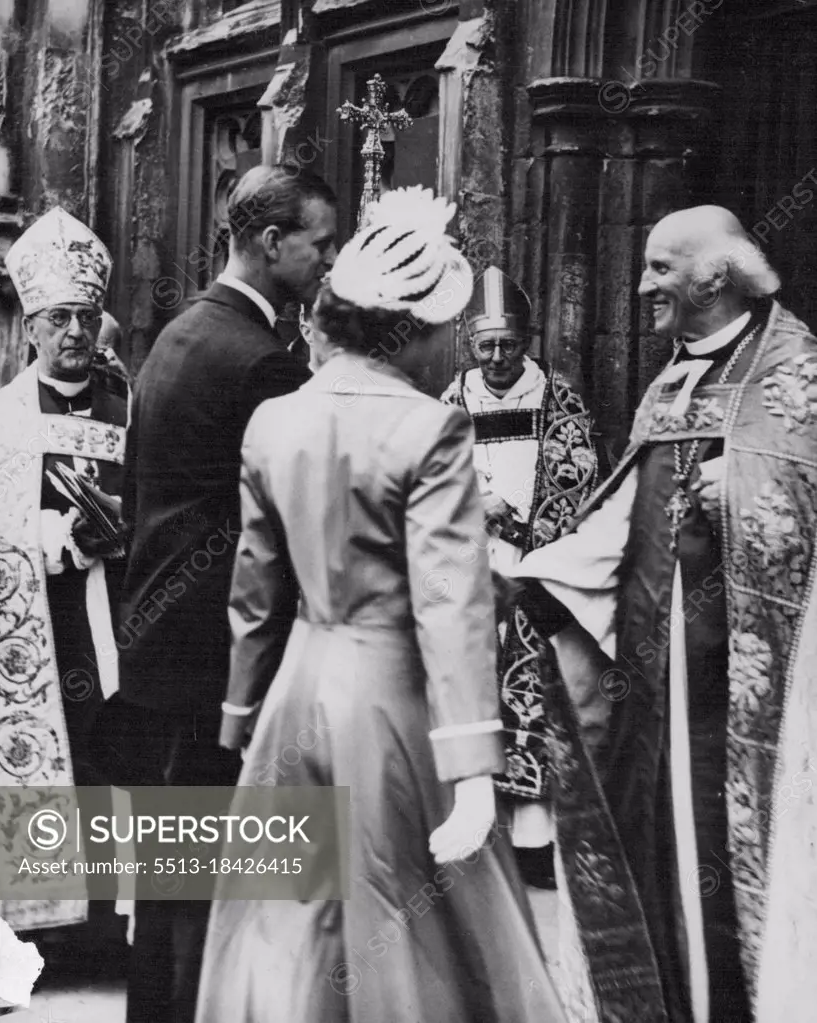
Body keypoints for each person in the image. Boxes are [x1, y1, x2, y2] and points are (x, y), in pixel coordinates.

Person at [194, 187, 567, 1023]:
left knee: (297, 921)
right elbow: (445, 601)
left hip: (296, 688)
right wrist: (474, 769)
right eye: (443, 329)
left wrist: (239, 713)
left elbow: (255, 592)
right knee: (406, 920)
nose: (449, 347)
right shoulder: (428, 429)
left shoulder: (273, 421)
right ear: (413, 330)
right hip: (394, 701)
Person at [513, 205, 817, 1023]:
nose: (641, 284)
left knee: (720, 843)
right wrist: (535, 574)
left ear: (712, 278)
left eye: (657, 268)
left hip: (750, 694)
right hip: (655, 681)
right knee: (662, 836)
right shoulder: (671, 378)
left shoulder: (794, 374)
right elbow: (624, 512)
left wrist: (747, 496)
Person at [111, 165, 337, 1023]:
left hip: (160, 643)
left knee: (173, 881)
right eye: (317, 243)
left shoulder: (175, 336)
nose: (325, 261)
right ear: (272, 242)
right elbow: (280, 533)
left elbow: (142, 497)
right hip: (221, 655)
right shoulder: (262, 365)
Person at [441, 266, 598, 889]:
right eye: (487, 346)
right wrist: (479, 505)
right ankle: (480, 835)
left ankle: (536, 837)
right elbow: (431, 481)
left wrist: (531, 536)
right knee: (475, 693)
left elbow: (579, 475)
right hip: (472, 566)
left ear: (527, 340)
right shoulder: (453, 403)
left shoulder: (559, 398)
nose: (499, 357)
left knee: (535, 695)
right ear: (470, 344)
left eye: (510, 344)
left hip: (539, 565)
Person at [0, 207, 128, 940]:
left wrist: (122, 524)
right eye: (58, 319)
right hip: (43, 625)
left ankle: (113, 925)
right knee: (58, 760)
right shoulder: (4, 418)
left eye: (86, 316)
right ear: (32, 329)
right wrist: (57, 535)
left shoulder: (130, 410)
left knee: (115, 761)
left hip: (121, 616)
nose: (75, 331)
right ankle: (45, 923)